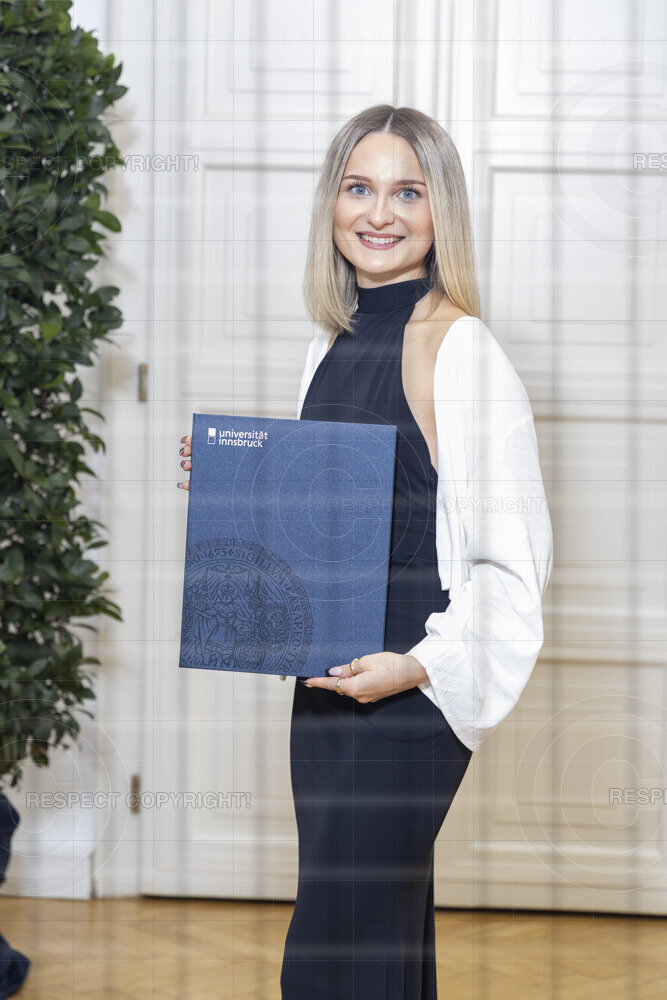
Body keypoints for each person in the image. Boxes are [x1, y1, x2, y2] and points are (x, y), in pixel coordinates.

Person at [177, 104, 553, 1000]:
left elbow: (514, 566)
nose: (378, 213)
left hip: (404, 697)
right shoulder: (334, 338)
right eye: (358, 187)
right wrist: (237, 481)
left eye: (407, 193)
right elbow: (345, 511)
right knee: (377, 940)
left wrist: (415, 668)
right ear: (332, 202)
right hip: (328, 687)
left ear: (440, 212)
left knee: (334, 951)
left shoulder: (459, 350)